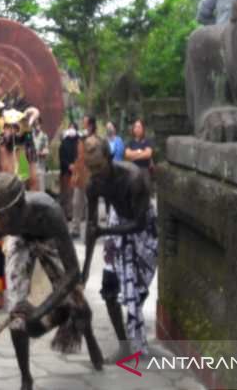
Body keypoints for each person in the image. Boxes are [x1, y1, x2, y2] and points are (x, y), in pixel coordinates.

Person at [0, 173, 104, 390]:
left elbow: (73, 274)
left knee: (77, 304)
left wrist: (40, 311)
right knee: (17, 317)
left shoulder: (49, 212)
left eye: (2, 216)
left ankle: (88, 336)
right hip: (19, 241)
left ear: (19, 207)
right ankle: (26, 378)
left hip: (47, 238)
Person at [83, 135, 157, 360]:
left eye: (98, 166)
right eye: (90, 168)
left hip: (143, 228)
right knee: (109, 291)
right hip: (117, 225)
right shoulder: (93, 184)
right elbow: (92, 227)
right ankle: (124, 346)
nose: (95, 173)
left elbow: (139, 223)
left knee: (138, 291)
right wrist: (84, 272)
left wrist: (104, 232)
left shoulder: (134, 178)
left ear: (109, 157)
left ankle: (134, 325)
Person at [0, 121, 39, 312]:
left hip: (18, 211)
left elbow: (31, 181)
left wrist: (34, 206)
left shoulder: (21, 152)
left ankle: (21, 298)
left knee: (21, 255)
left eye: (13, 128)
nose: (9, 132)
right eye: (6, 127)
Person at [70, 115, 97, 239]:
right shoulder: (80, 138)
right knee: (76, 202)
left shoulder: (95, 139)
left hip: (90, 174)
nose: (83, 124)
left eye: (85, 122)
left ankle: (90, 229)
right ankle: (75, 228)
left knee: (89, 203)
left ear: (91, 125)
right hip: (79, 173)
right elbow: (78, 156)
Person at [59, 122, 79, 222]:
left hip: (76, 172)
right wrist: (68, 165)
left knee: (74, 194)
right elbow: (61, 157)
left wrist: (76, 165)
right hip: (65, 172)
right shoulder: (64, 142)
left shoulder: (79, 142)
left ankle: (74, 214)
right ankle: (65, 214)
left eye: (73, 128)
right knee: (65, 194)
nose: (71, 130)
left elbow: (80, 156)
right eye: (70, 128)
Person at [32, 118, 50, 192]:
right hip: (32, 166)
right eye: (35, 124)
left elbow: (46, 151)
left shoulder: (44, 136)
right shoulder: (30, 136)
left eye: (38, 124)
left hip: (40, 165)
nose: (37, 126)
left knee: (41, 188)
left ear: (40, 124)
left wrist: (39, 153)